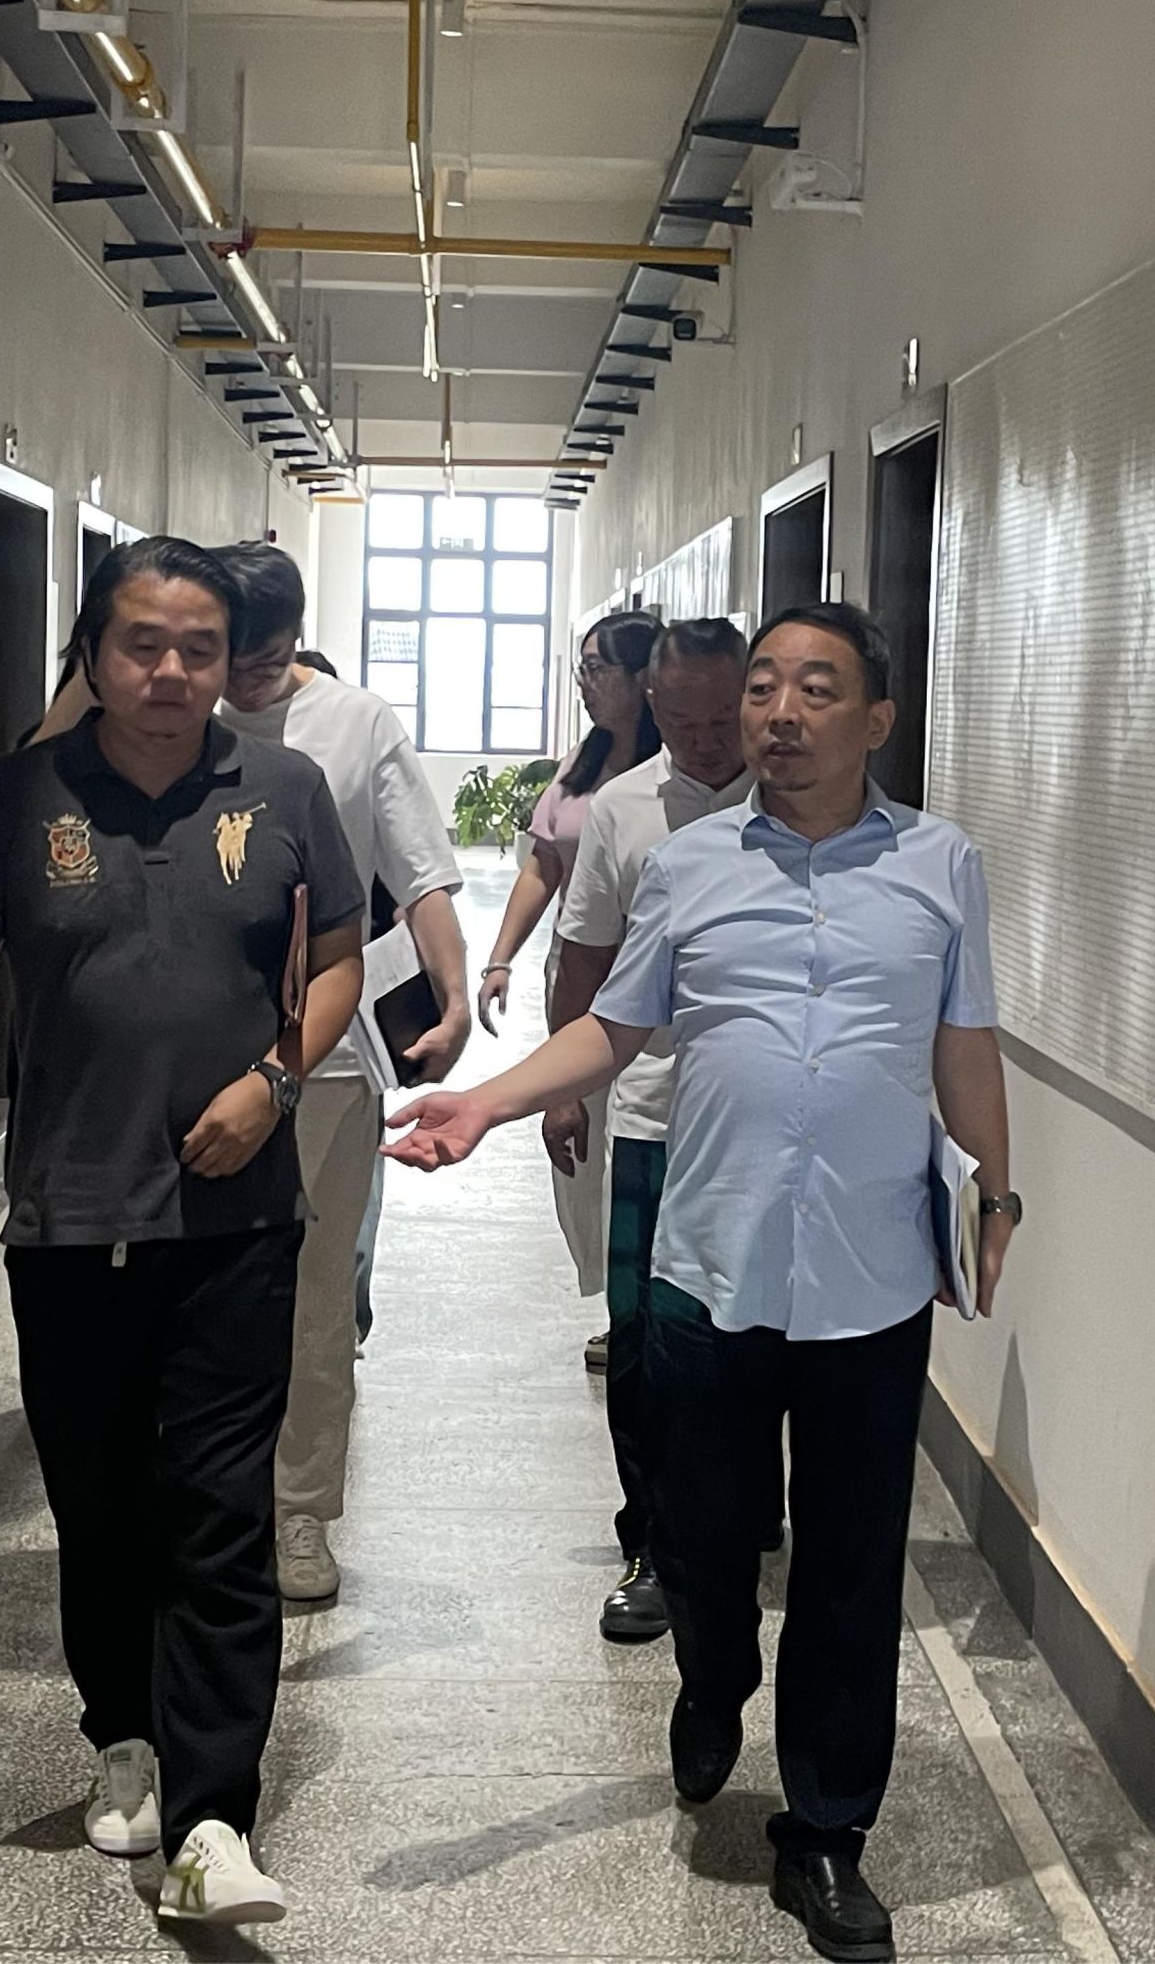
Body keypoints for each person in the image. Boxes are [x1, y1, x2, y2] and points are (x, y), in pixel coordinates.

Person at [384, 601, 1019, 1964]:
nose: (779, 713)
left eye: (815, 689)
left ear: (876, 719)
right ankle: (712, 1674)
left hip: (868, 1273)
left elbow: (965, 1042)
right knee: (705, 1532)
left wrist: (997, 1192)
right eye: (766, 687)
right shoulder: (686, 865)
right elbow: (613, 1026)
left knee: (850, 1565)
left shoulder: (942, 865)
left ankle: (826, 1829)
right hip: (709, 1256)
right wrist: (487, 1101)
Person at [0, 537, 364, 1929]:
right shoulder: (21, 795)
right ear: (93, 656)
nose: (169, 671)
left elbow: (337, 960)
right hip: (71, 1212)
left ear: (232, 663)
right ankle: (125, 1733)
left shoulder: (284, 790)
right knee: (99, 1505)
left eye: (197, 648)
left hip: (237, 1215)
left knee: (220, 1510)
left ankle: (216, 1815)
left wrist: (274, 1080)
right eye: (142, 644)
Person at [215, 543, 469, 1602]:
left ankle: (300, 1510)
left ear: (295, 635)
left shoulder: (357, 722)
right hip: (185, 1053)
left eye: (264, 657)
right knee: (198, 1296)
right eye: (230, 654)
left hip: (322, 1056)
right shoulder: (168, 715)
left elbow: (419, 870)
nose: (244, 678)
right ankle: (203, 1507)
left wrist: (455, 993)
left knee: (315, 1300)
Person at [548, 617, 753, 1647]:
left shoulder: (797, 803)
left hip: (762, 1130)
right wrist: (563, 1092)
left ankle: (743, 1508)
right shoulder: (624, 810)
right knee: (641, 1345)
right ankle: (652, 1545)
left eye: (725, 720)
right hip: (650, 1116)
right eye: (684, 722)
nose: (708, 742)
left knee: (754, 1336)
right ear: (653, 705)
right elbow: (583, 961)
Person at [476, 609, 662, 1347]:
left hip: (652, 989)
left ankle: (648, 1308)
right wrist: (500, 957)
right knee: (578, 1143)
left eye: (596, 668)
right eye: (581, 668)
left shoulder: (677, 772)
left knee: (640, 1149)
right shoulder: (583, 762)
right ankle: (618, 1301)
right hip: (580, 976)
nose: (583, 682)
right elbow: (543, 864)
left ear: (643, 678)